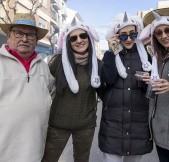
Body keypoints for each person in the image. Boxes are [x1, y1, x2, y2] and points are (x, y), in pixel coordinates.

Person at [42, 18, 103, 162]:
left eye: (83, 36)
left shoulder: (98, 65)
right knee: (48, 159)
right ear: (68, 42)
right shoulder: (58, 62)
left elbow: (108, 88)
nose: (79, 40)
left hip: (85, 126)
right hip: (58, 125)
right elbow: (43, 86)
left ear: (89, 38)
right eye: (73, 38)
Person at [98, 12, 153, 162]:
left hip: (138, 122)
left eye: (132, 34)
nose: (128, 39)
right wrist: (111, 52)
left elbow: (149, 91)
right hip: (113, 123)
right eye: (123, 36)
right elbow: (108, 80)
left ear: (137, 34)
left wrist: (149, 82)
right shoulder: (110, 55)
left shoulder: (145, 57)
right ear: (116, 36)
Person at [0, 13, 54, 162]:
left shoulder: (42, 65)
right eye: (18, 33)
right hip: (5, 152)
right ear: (9, 35)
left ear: (36, 40)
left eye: (30, 35)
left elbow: (51, 92)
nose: (24, 39)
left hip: (35, 151)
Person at [139, 7, 169, 162]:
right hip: (160, 132)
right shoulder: (159, 59)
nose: (164, 35)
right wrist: (149, 80)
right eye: (159, 32)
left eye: (168, 30)